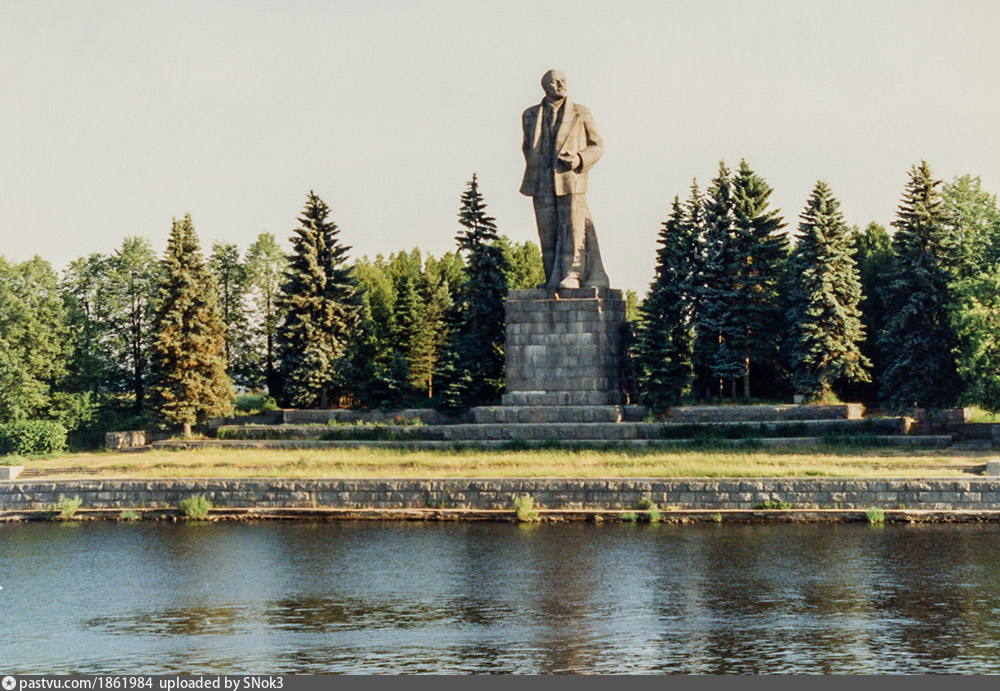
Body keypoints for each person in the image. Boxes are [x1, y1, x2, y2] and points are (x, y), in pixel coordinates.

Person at [520, 69, 610, 289]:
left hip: (571, 180)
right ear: (545, 87)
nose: (561, 85)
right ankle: (552, 277)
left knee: (574, 229)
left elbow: (598, 145)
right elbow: (527, 147)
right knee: (547, 233)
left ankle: (574, 275)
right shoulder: (530, 115)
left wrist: (579, 159)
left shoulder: (581, 113)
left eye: (563, 81)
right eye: (555, 82)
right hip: (541, 183)